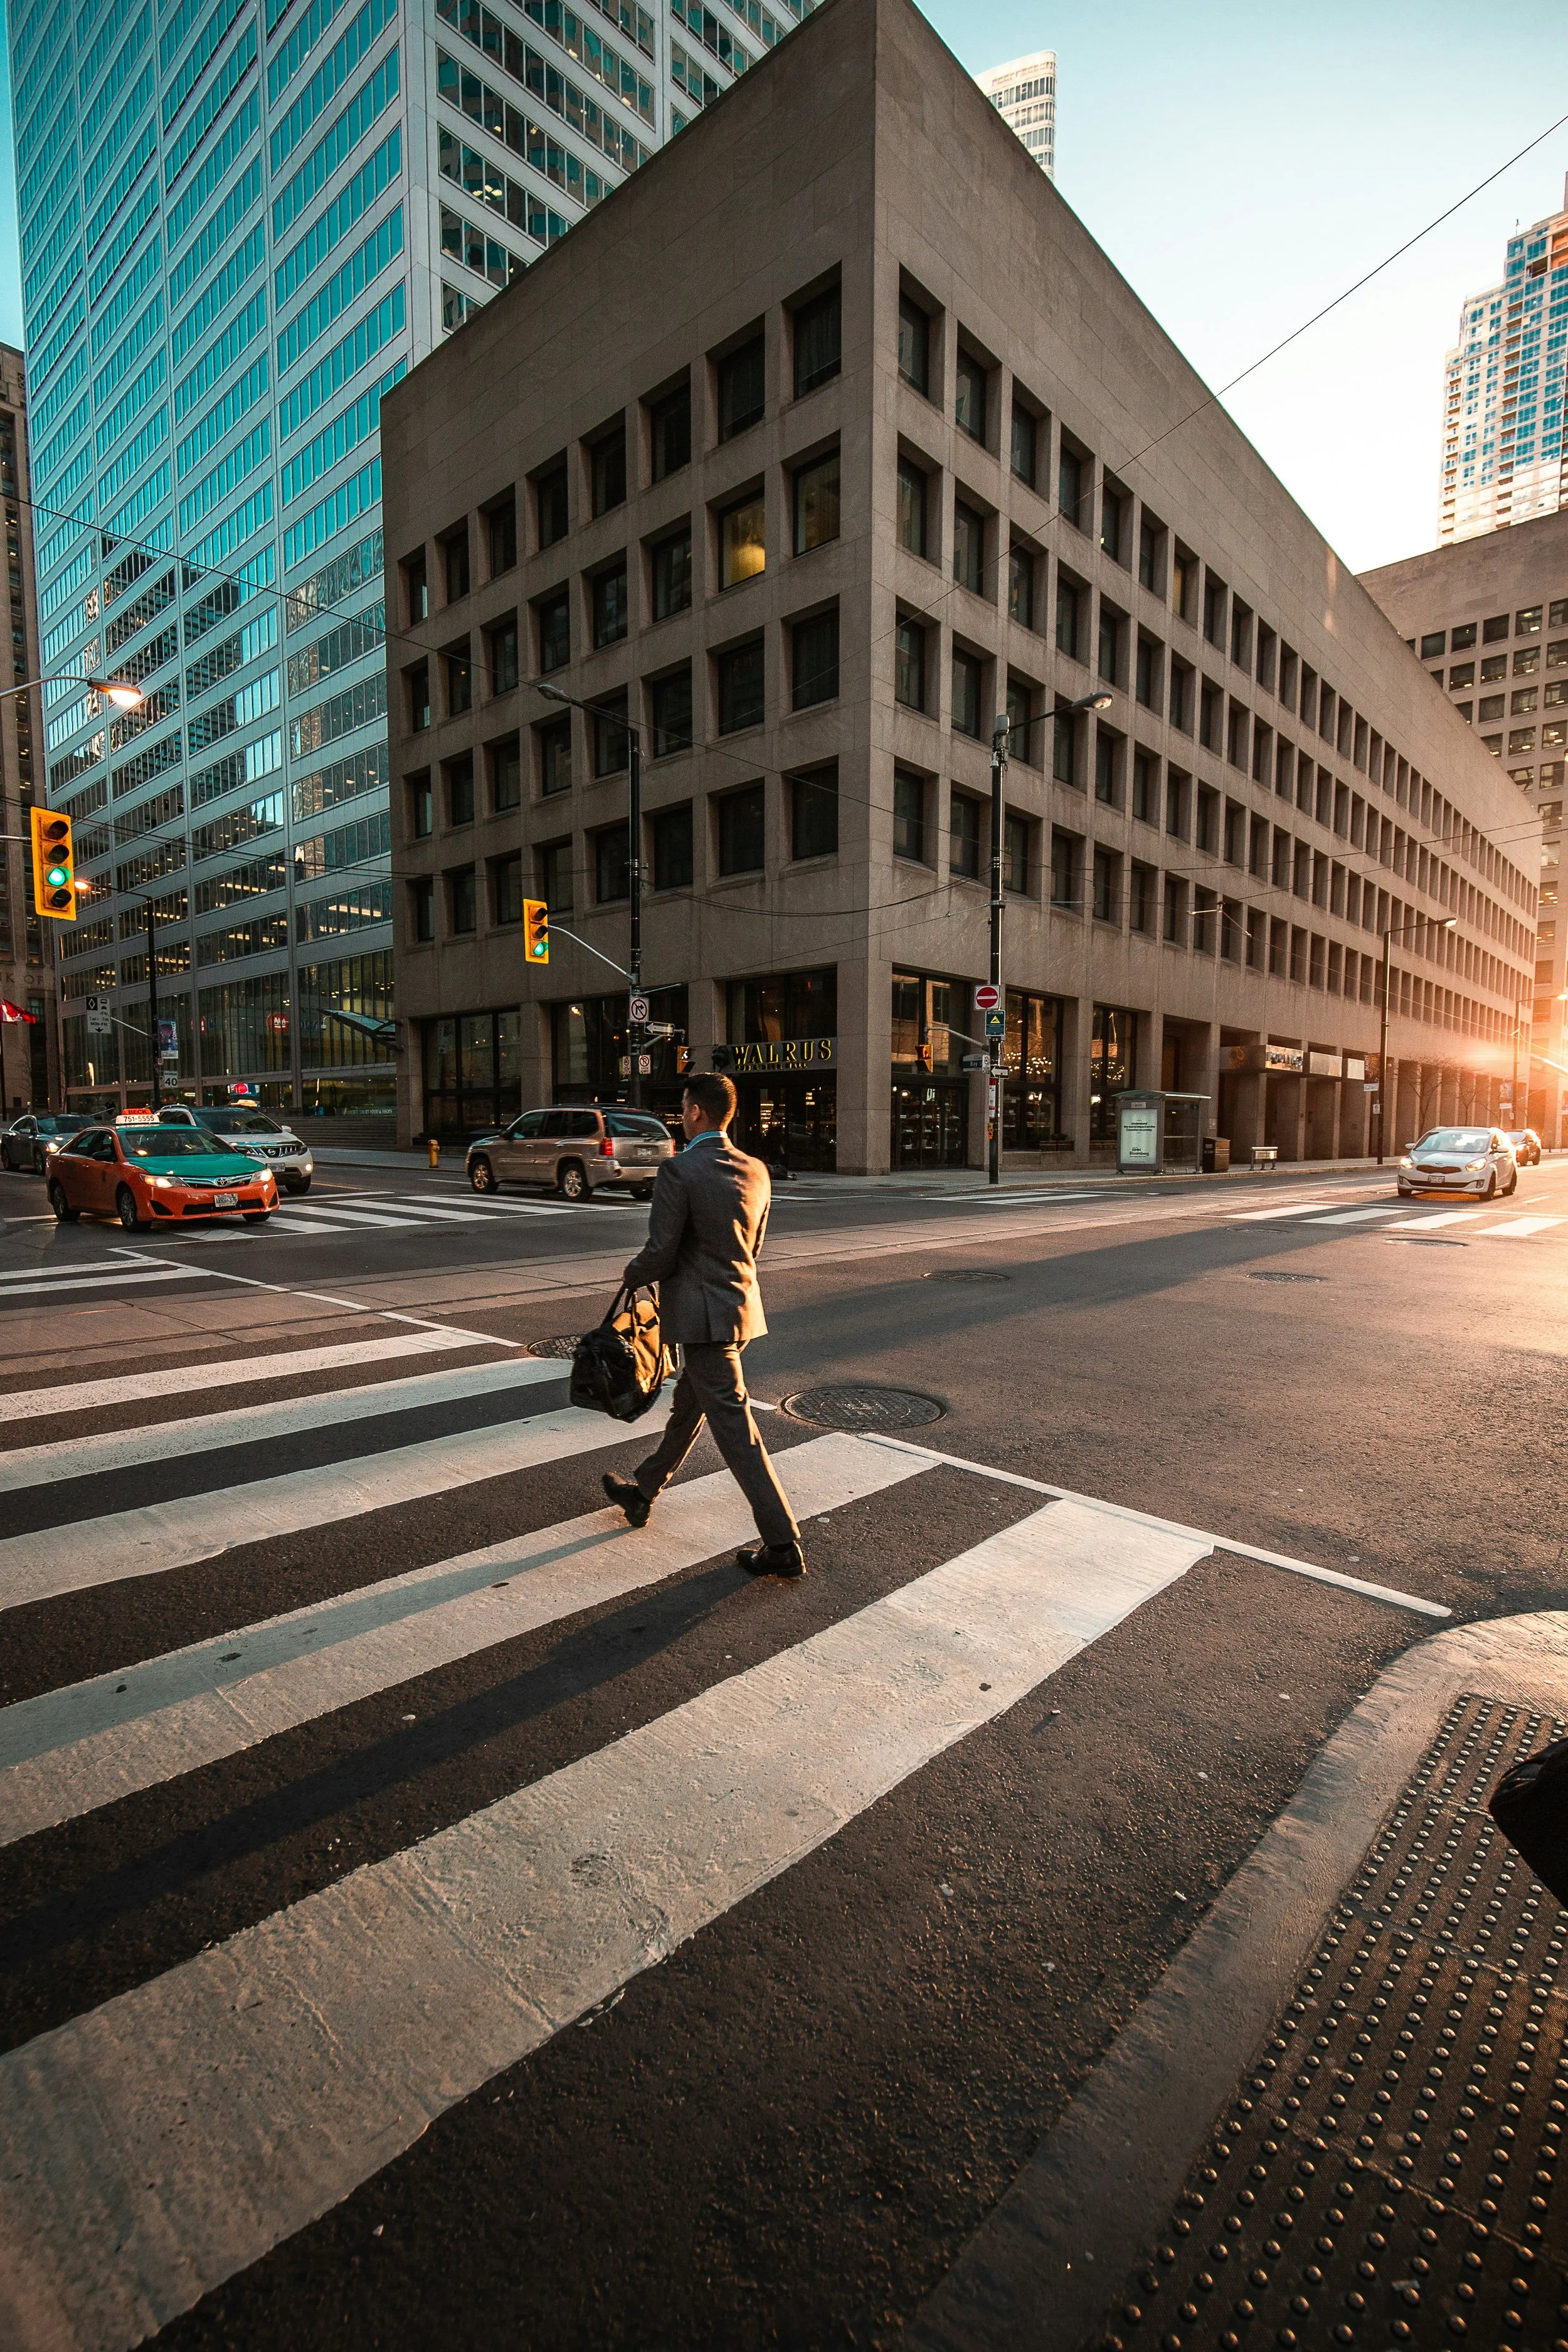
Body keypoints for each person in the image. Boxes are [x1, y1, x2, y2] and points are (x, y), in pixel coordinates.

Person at [601, 1071, 805, 1578]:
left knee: (737, 1431)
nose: (682, 1115)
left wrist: (633, 1275)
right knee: (689, 1406)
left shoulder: (681, 1170)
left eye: (684, 1107)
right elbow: (752, 1249)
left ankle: (782, 1544)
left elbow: (662, 1251)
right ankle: (644, 1491)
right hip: (739, 1309)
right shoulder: (756, 1169)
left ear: (696, 1112)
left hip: (700, 1317)